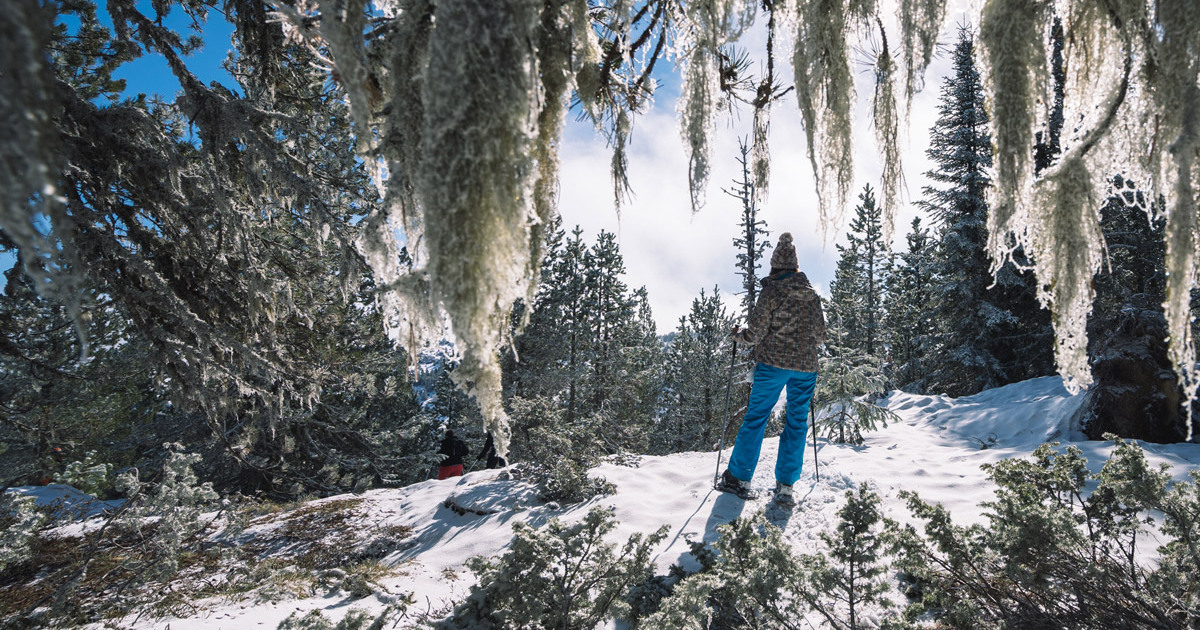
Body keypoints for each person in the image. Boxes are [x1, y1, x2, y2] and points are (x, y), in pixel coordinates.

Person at [718, 232, 825, 507]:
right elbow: (821, 336)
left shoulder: (772, 291)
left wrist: (738, 335)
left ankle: (738, 478)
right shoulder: (812, 295)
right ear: (796, 267)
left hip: (773, 365)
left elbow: (754, 334)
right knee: (797, 423)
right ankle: (786, 486)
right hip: (806, 368)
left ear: (775, 266)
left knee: (757, 418)